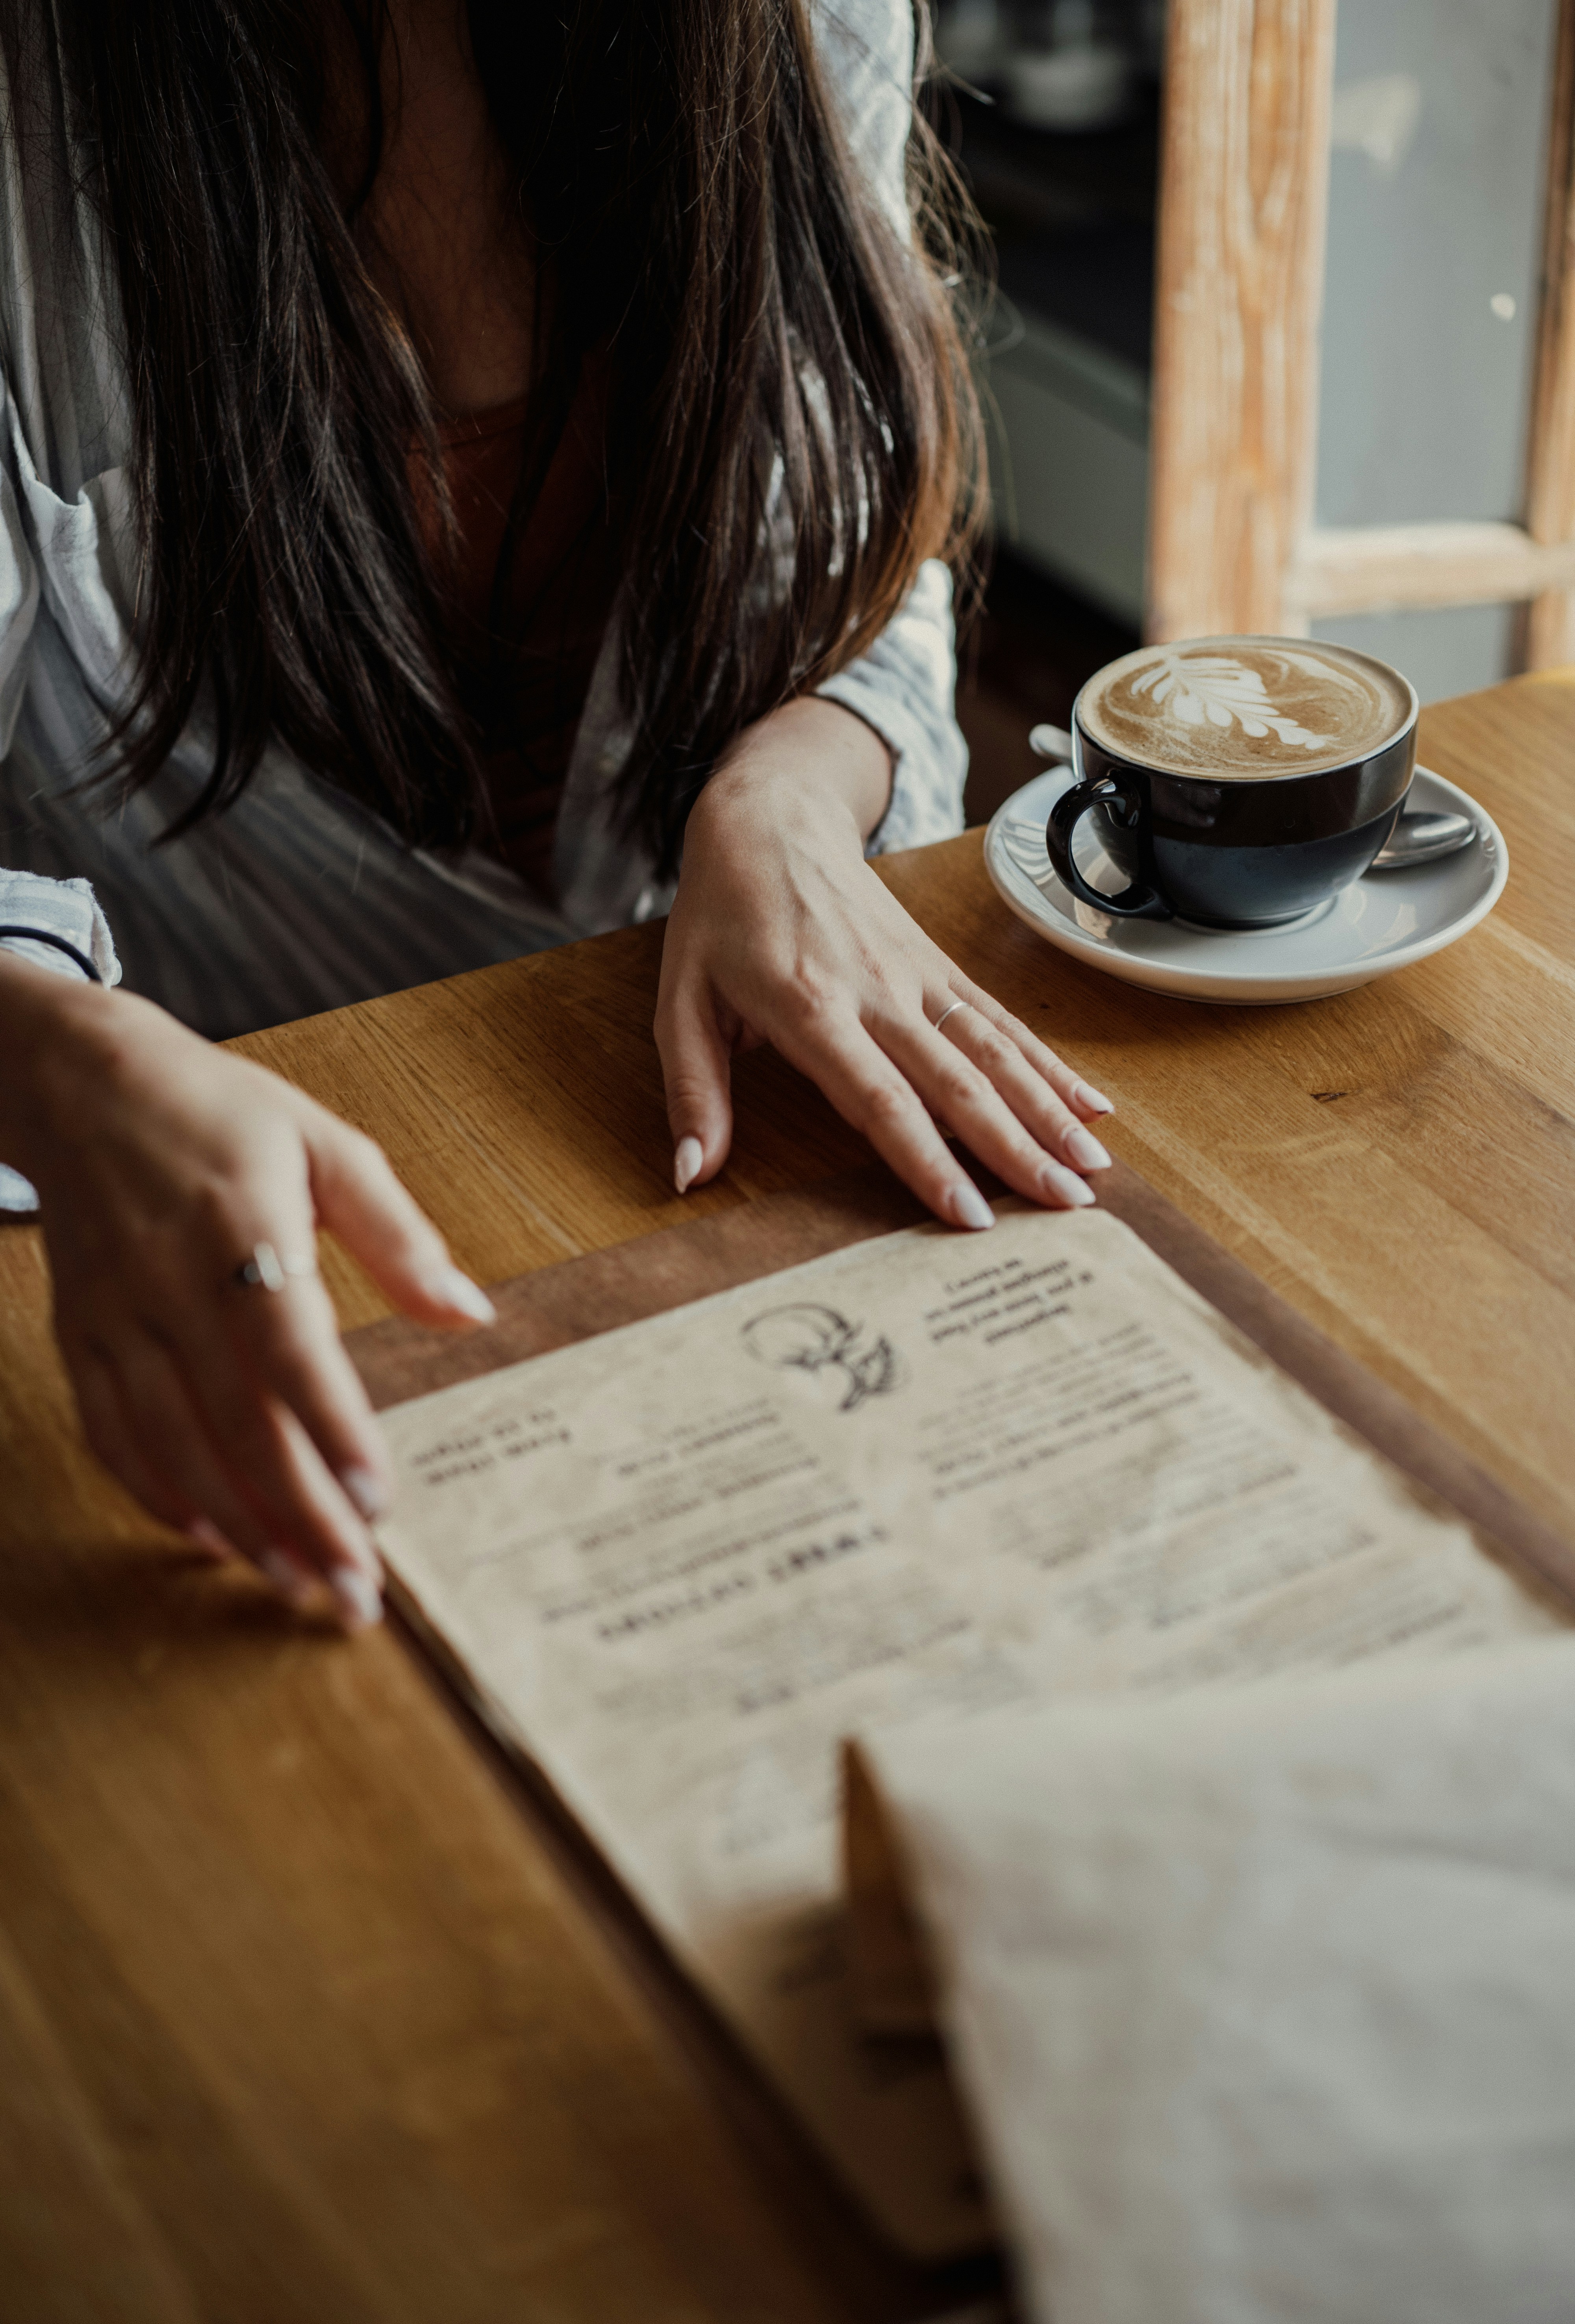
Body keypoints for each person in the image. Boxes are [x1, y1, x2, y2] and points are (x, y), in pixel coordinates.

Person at [0, 0, 1114, 1631]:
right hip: (177, 1255)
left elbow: (867, 556)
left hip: (708, 1151)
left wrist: (794, 789)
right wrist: (55, 1060)